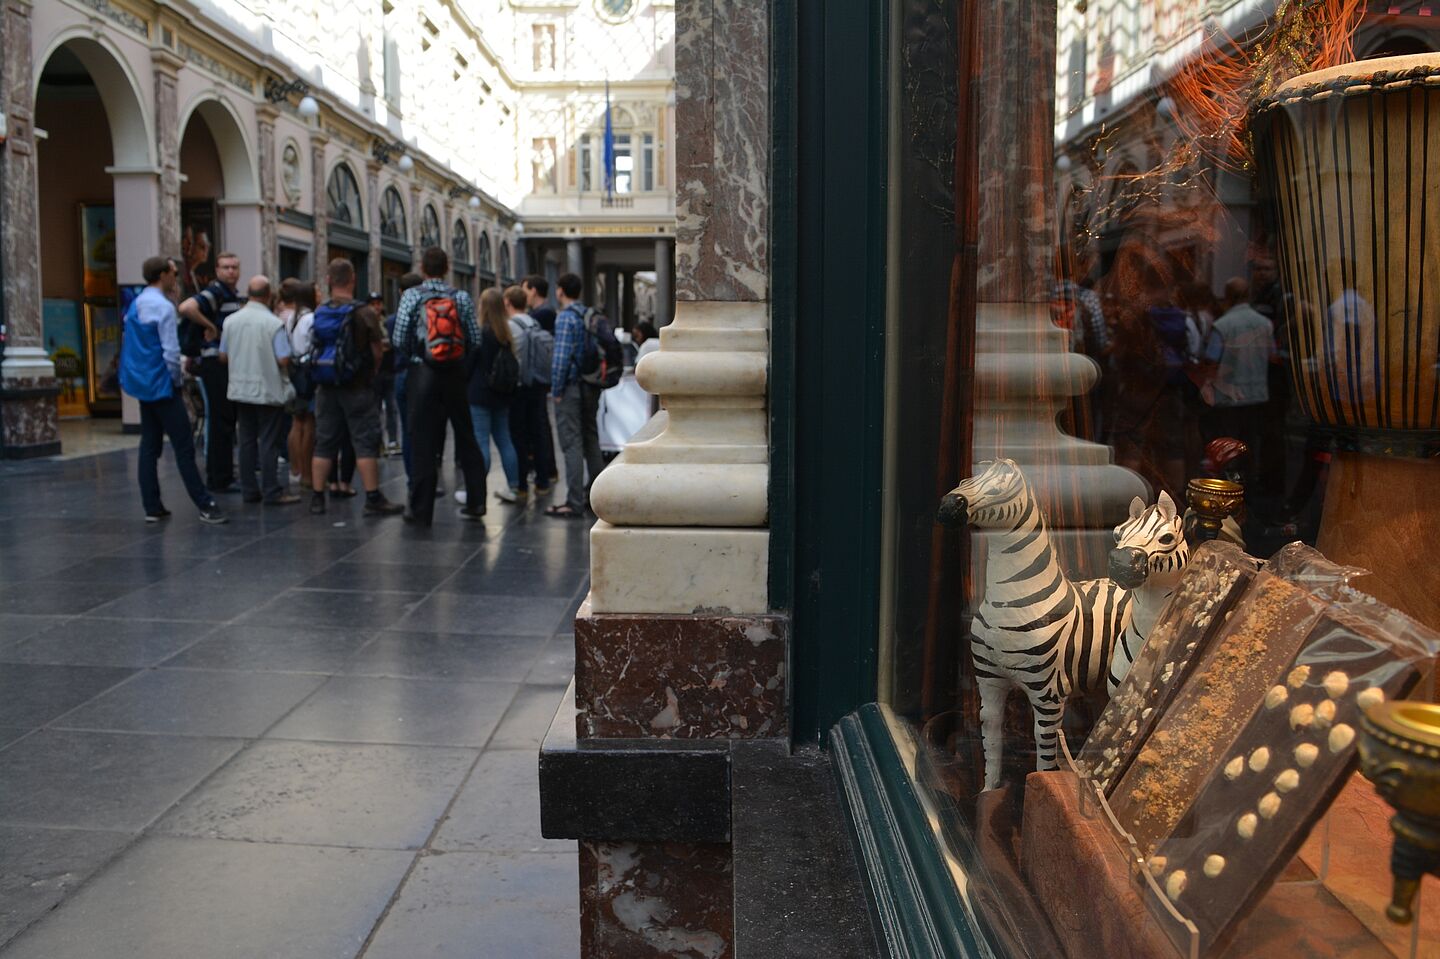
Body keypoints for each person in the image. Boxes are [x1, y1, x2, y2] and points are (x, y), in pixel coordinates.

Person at [119, 256, 226, 525]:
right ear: (163, 274)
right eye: (174, 273)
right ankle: (205, 503)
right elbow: (170, 351)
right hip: (163, 384)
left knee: (149, 444)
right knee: (183, 446)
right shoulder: (164, 307)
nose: (176, 277)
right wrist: (176, 381)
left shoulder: (138, 303)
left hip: (144, 383)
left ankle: (152, 505)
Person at [392, 246, 489, 524]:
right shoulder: (460, 297)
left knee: (422, 439)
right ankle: (476, 502)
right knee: (466, 437)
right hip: (455, 374)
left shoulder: (412, 296)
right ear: (447, 269)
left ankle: (421, 510)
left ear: (423, 268)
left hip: (422, 373)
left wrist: (417, 355)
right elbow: (474, 338)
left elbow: (400, 337)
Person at [308, 258, 404, 516]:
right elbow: (377, 349)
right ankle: (373, 497)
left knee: (324, 442)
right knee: (364, 441)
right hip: (357, 386)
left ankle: (317, 497)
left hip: (326, 386)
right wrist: (371, 372)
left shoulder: (319, 311)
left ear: (329, 280)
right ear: (353, 280)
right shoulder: (364, 312)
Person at [220, 276, 299, 505]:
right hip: (267, 388)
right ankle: (271, 489)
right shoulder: (272, 323)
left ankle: (249, 490)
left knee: (246, 440)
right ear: (268, 295)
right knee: (268, 441)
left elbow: (223, 356)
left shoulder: (230, 321)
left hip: (240, 389)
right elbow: (283, 358)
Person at [179, 251, 244, 492]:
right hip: (214, 362)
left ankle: (221, 475)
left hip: (222, 363)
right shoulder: (215, 292)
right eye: (226, 267)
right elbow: (186, 307)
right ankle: (219, 478)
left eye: (234, 267)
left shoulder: (231, 295)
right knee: (220, 421)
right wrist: (210, 327)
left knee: (224, 420)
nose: (231, 271)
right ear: (217, 270)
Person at [1199, 278, 1275, 476]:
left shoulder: (1223, 325)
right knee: (1250, 444)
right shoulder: (1264, 323)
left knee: (1229, 445)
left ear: (1228, 296)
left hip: (1229, 395)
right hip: (1257, 394)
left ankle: (1230, 485)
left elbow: (1212, 358)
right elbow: (1271, 355)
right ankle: (1248, 487)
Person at [546, 272, 606, 519]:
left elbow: (560, 359)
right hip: (591, 385)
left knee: (572, 443)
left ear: (560, 290)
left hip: (571, 388)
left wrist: (556, 390)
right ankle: (598, 496)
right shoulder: (588, 315)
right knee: (591, 438)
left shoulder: (565, 318)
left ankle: (573, 501)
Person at [461, 287, 522, 505]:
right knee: (505, 440)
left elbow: (468, 366)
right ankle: (514, 487)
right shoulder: (505, 333)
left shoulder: (479, 333)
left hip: (479, 395)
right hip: (502, 395)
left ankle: (475, 491)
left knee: (480, 443)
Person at [504, 284, 553, 502]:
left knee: (518, 436)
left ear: (507, 303)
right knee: (539, 432)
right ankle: (543, 481)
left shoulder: (509, 326)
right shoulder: (534, 322)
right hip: (538, 384)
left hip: (518, 387)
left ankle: (521, 484)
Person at [521, 275, 559, 493]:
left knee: (539, 426)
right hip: (540, 377)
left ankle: (546, 469)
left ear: (533, 290)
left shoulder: (542, 314)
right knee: (541, 425)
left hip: (537, 377)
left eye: (524, 289)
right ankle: (548, 468)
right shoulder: (544, 313)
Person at [279, 279, 316, 490]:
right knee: (309, 422)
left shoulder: (290, 318)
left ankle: (295, 469)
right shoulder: (310, 318)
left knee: (296, 421)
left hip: (293, 370)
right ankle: (307, 473)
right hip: (307, 372)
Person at [389, 272, 425, 481]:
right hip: (425, 373)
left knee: (407, 428)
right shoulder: (426, 317)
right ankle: (424, 476)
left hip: (403, 373)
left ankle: (413, 479)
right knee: (425, 428)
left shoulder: (395, 320)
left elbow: (396, 345)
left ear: (401, 292)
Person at [369, 290, 401, 458]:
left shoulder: (388, 322)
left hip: (389, 370)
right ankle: (378, 441)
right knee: (375, 409)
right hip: (375, 373)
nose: (376, 307)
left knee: (391, 408)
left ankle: (393, 440)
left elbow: (393, 342)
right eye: (373, 304)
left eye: (378, 304)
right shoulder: (367, 322)